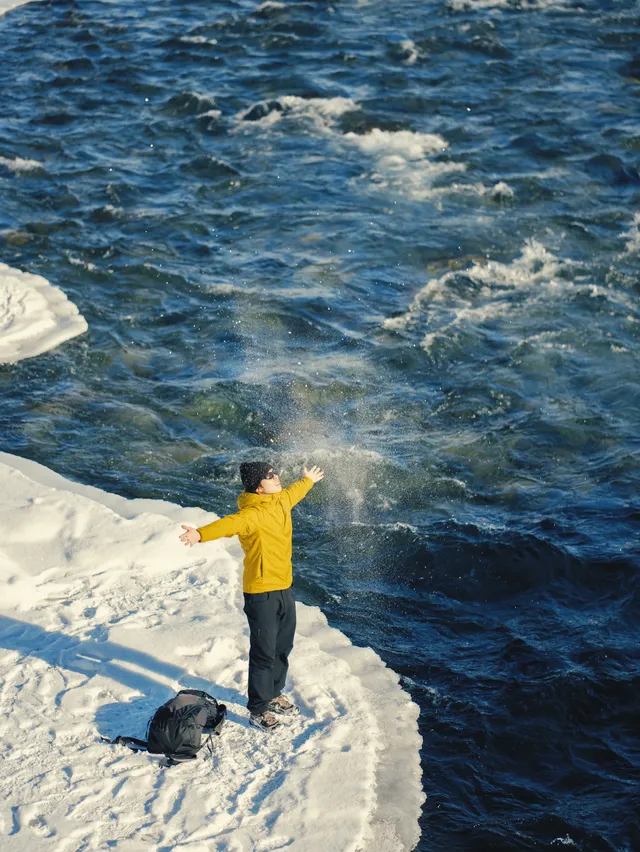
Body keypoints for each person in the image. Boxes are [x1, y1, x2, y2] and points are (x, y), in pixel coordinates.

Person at [179, 462, 324, 732]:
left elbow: (296, 491)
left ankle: (274, 693)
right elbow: (226, 525)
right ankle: (258, 709)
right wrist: (199, 534)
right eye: (269, 476)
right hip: (260, 592)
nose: (276, 476)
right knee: (263, 653)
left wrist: (308, 481)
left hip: (284, 588)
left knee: (283, 647)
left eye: (274, 471)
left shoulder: (281, 501)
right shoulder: (251, 514)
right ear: (259, 488)